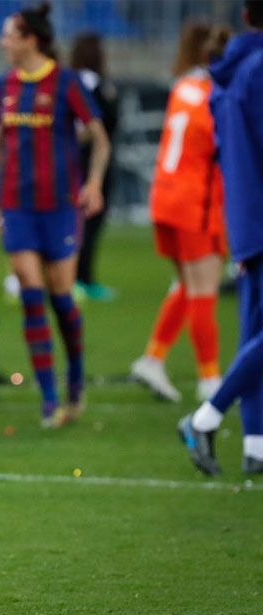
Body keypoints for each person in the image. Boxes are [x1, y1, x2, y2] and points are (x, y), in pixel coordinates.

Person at [0, 2, 110, 428]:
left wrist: (92, 183)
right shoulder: (5, 85)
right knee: (31, 294)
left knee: (61, 297)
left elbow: (100, 139)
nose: (3, 41)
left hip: (60, 208)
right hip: (18, 206)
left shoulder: (66, 82)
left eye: (9, 34)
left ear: (30, 39)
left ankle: (74, 378)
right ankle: (50, 397)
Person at [178, 0, 263, 477]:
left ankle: (256, 445)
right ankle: (204, 418)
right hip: (256, 212)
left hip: (246, 216)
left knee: (254, 334)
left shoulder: (229, 72)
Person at [130, 22, 230, 404]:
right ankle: (211, 380)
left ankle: (153, 359)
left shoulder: (183, 86)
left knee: (187, 286)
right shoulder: (216, 96)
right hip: (196, 203)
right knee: (204, 290)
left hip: (165, 198)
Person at [70, 32, 119, 302]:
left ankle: (79, 277)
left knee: (81, 222)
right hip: (91, 163)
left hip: (79, 161)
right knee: (89, 222)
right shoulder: (92, 85)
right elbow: (98, 126)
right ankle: (81, 278)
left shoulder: (73, 82)